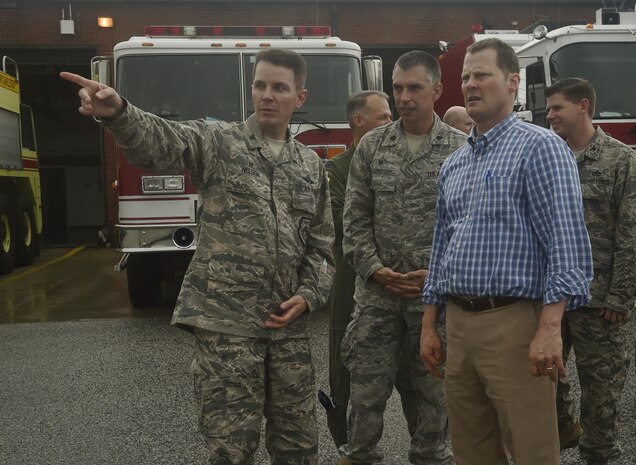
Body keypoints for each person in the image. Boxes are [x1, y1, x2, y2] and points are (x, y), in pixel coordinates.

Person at [60, 48, 335, 465]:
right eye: (260, 85)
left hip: (288, 331)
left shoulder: (311, 167)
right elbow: (162, 142)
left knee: (298, 447)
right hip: (227, 328)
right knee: (230, 449)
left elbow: (322, 244)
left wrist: (310, 294)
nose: (266, 95)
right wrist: (118, 112)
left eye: (279, 88)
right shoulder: (220, 143)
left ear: (300, 98)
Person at [420, 38, 593, 465]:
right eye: (465, 77)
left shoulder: (541, 147)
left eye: (482, 75)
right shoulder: (454, 165)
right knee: (472, 450)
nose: (470, 84)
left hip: (515, 324)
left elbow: (566, 241)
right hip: (459, 325)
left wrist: (550, 326)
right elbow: (442, 248)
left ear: (513, 82)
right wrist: (430, 323)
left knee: (531, 449)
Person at [339, 51, 467, 465]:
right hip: (377, 297)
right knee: (366, 389)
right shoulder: (373, 147)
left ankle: (430, 457)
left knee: (435, 392)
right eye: (397, 88)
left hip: (436, 297)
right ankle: (359, 455)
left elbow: (471, 227)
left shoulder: (462, 150)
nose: (404, 97)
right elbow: (354, 219)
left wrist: (441, 274)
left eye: (414, 87)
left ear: (436, 90)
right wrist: (376, 271)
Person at [322, 90, 419, 447]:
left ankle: (425, 445)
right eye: (382, 117)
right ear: (358, 121)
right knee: (350, 368)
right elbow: (339, 223)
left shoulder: (398, 161)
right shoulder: (336, 170)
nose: (390, 122)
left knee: (415, 371)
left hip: (405, 285)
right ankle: (349, 446)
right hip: (353, 283)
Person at [546, 77, 634, 465]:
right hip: (554, 297)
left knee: (601, 392)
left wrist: (620, 295)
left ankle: (599, 454)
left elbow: (630, 232)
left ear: (583, 106)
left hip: (600, 301)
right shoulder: (550, 157)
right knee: (545, 378)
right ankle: (564, 428)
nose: (549, 116)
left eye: (556, 108)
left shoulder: (621, 160)